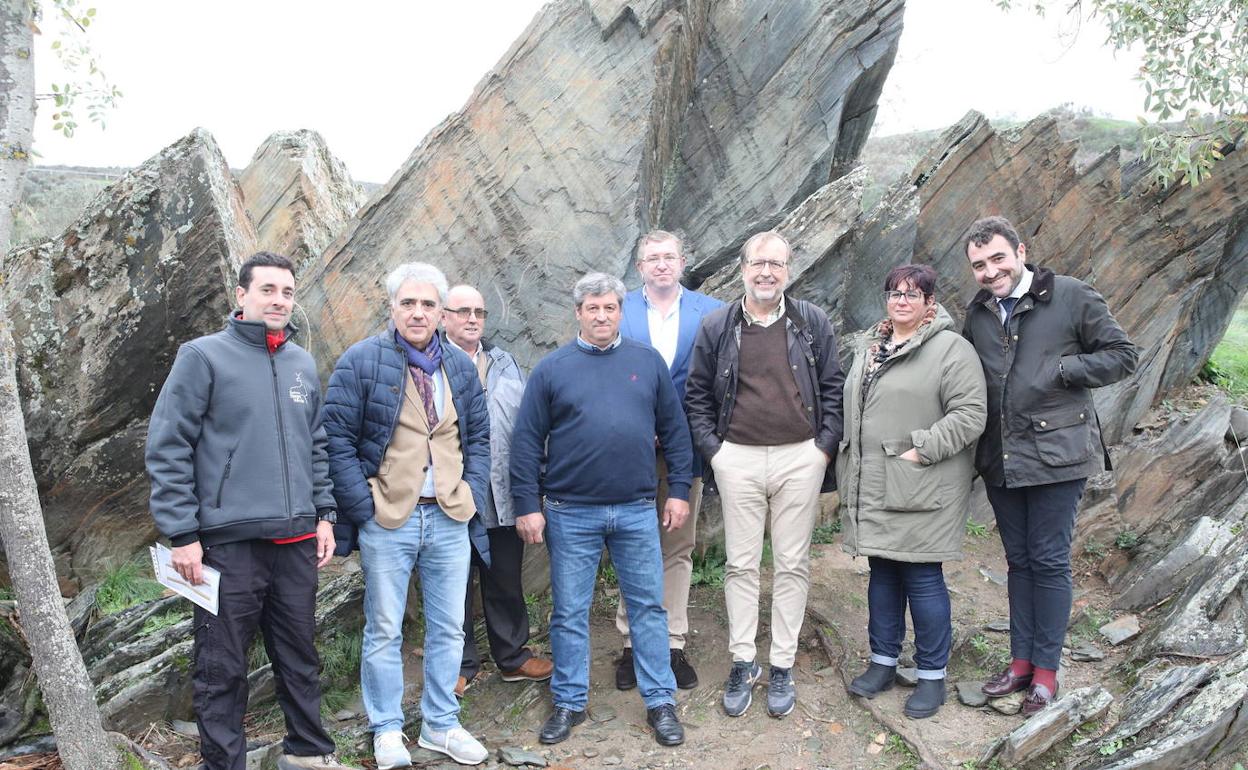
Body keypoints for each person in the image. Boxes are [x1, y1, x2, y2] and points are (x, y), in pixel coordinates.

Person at [145, 252, 356, 770]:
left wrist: (324, 514)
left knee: (300, 656)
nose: (279, 300)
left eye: (287, 292)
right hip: (226, 543)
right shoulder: (202, 356)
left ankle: (308, 753)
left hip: (296, 542)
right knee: (221, 666)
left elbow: (316, 445)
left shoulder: (301, 362)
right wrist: (182, 534)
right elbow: (168, 445)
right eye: (268, 290)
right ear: (241, 295)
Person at [962, 216, 1138, 716]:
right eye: (979, 264)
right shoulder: (978, 312)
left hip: (1059, 455)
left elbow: (1123, 356)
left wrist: (1063, 368)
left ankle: (1046, 673)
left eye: (998, 258)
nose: (990, 271)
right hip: (1001, 457)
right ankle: (1020, 662)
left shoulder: (1070, 295)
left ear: (1020, 252)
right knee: (1018, 562)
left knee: (1049, 560)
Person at [510, 273, 692, 747]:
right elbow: (526, 441)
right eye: (592, 308)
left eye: (610, 307)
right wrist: (527, 504)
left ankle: (661, 702)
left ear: (620, 312)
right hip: (570, 511)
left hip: (636, 508)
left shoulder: (647, 362)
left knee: (648, 608)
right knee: (570, 611)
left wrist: (678, 491)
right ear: (578, 313)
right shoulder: (552, 369)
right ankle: (569, 702)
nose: (601, 315)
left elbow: (676, 431)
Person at [322, 263, 490, 767]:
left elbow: (479, 437)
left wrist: (472, 491)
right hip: (388, 517)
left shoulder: (459, 366)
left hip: (449, 517)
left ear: (441, 312)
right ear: (392, 308)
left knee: (450, 628)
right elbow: (336, 440)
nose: (418, 312)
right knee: (384, 629)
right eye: (408, 303)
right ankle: (387, 729)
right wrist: (363, 508)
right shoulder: (361, 361)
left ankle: (441, 723)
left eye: (428, 304)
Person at [685, 230, 845, 719]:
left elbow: (833, 388)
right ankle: (742, 661)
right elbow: (696, 395)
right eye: (758, 263)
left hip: (800, 457)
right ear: (743, 268)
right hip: (738, 458)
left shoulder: (811, 321)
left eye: (776, 264)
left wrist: (822, 450)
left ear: (788, 271)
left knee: (793, 563)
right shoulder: (718, 326)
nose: (767, 272)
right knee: (740, 564)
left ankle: (782, 664)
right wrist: (716, 454)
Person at [838, 264, 987, 719]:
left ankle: (932, 677)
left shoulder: (951, 350)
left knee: (922, 578)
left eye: (912, 294)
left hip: (921, 484)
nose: (901, 301)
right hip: (876, 482)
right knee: (883, 573)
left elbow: (970, 414)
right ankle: (883, 663)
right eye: (894, 293)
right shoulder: (872, 347)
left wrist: (921, 451)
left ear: (929, 302)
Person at [614, 230, 723, 691]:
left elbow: (719, 380)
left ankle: (672, 643)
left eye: (669, 257)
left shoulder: (712, 312)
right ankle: (631, 644)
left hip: (685, 449)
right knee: (630, 544)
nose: (661, 264)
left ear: (682, 262)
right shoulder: (617, 309)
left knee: (677, 546)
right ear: (640, 266)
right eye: (652, 258)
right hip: (627, 449)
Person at [441, 284, 554, 695]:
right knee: (452, 582)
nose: (473, 319)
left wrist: (530, 488)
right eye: (463, 311)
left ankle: (512, 657)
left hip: (500, 492)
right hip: (452, 494)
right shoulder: (431, 362)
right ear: (443, 317)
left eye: (479, 312)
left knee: (505, 578)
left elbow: (526, 427)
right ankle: (459, 664)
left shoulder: (505, 363)